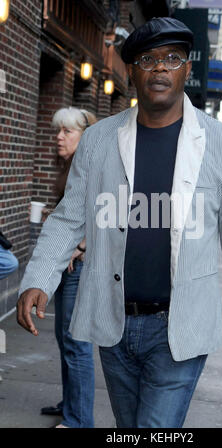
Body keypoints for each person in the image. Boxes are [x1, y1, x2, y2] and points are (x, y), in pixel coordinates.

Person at [16, 17, 222, 429]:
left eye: (172, 58)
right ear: (131, 72)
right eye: (148, 59)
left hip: (180, 329)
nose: (160, 68)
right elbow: (69, 217)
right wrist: (39, 277)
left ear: (187, 69)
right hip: (114, 323)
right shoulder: (99, 140)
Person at [39, 107, 97, 428]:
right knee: (65, 339)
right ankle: (70, 405)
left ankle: (79, 421)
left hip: (81, 266)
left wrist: (83, 244)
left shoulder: (92, 166)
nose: (59, 137)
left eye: (67, 132)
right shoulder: (70, 166)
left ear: (83, 136)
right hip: (66, 264)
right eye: (57, 130)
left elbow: (109, 210)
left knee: (77, 343)